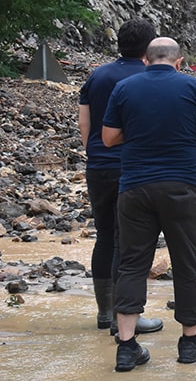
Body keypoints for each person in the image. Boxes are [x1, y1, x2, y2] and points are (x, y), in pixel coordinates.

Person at [102, 37, 196, 372]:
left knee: (131, 265)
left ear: (145, 61)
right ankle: (188, 344)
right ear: (179, 61)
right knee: (186, 263)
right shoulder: (193, 87)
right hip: (181, 188)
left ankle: (126, 348)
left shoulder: (125, 88)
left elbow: (109, 138)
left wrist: (139, 132)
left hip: (135, 189)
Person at [77, 18, 164, 337]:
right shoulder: (149, 77)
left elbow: (85, 123)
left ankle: (104, 313)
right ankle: (123, 316)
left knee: (105, 236)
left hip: (99, 165)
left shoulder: (97, 74)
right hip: (134, 167)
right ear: (150, 47)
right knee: (130, 243)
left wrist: (95, 152)